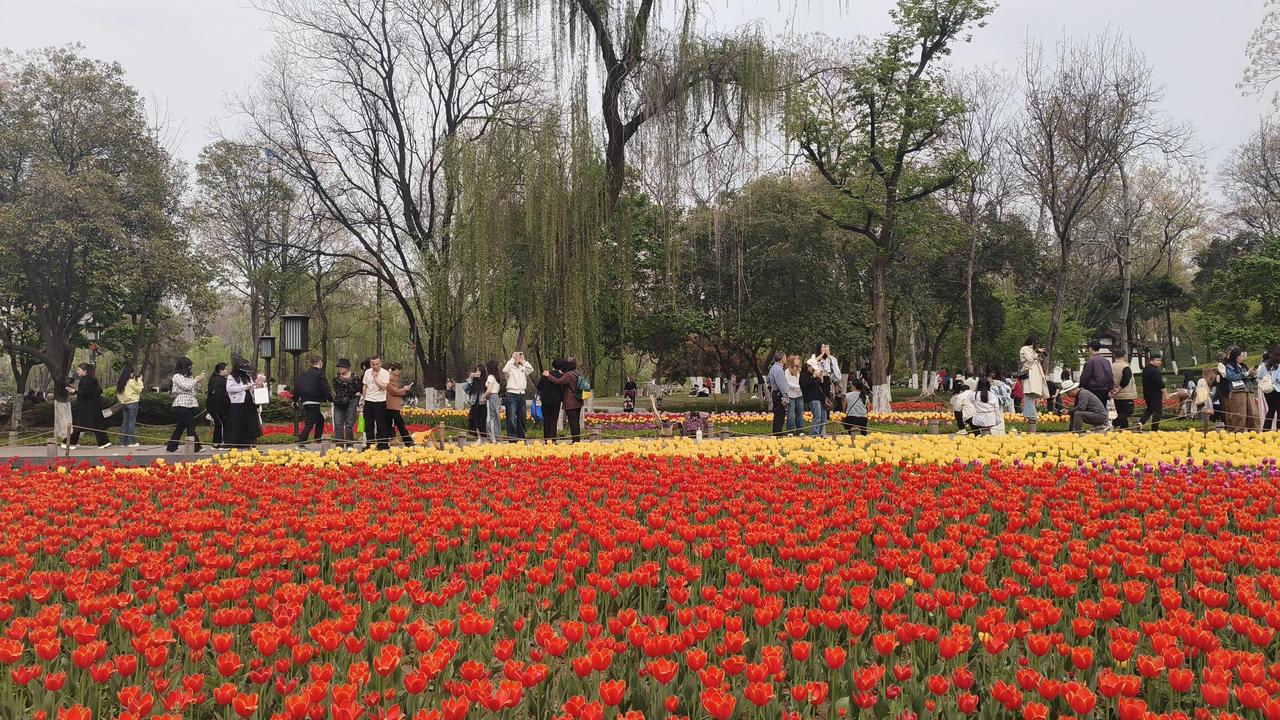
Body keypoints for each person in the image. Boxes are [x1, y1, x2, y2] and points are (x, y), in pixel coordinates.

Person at [165, 357, 204, 453]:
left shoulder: (189, 377)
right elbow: (186, 387)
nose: (190, 368)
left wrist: (198, 381)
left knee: (181, 426)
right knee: (191, 424)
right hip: (181, 403)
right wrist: (196, 380)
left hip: (190, 402)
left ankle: (172, 446)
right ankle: (196, 447)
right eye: (189, 366)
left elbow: (193, 390)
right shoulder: (177, 376)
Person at [67, 363, 110, 449]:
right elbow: (96, 391)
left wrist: (74, 391)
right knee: (96, 425)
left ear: (85, 371)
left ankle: (70, 443)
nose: (77, 371)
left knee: (79, 425)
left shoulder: (85, 380)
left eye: (79, 370)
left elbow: (85, 393)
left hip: (85, 407)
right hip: (93, 406)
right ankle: (104, 442)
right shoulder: (93, 379)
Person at [543, 358, 583, 443]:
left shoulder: (568, 375)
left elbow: (558, 381)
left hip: (571, 402)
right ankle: (577, 439)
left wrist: (548, 375)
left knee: (573, 422)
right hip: (578, 401)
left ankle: (575, 441)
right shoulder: (576, 373)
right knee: (576, 421)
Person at [294, 356, 332, 445]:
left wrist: (295, 399)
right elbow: (325, 387)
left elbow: (297, 387)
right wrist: (331, 399)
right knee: (310, 423)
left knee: (320, 419)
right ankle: (301, 442)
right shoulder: (320, 374)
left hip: (305, 401)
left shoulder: (304, 374)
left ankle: (317, 438)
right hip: (314, 401)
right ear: (320, 363)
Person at [226, 359, 263, 449]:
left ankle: (250, 442)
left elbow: (252, 387)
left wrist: (257, 385)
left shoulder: (247, 377)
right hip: (238, 404)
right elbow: (230, 389)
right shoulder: (231, 377)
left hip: (249, 403)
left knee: (250, 422)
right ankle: (236, 443)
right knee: (237, 423)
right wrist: (245, 387)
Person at [1222, 346, 1259, 432]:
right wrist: (1246, 373)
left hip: (1248, 390)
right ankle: (1238, 433)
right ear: (1235, 356)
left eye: (1243, 356)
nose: (1242, 358)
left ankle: (1254, 433)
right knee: (1240, 414)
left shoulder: (1244, 366)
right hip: (1238, 392)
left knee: (1253, 413)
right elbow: (1231, 377)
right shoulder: (1230, 366)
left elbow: (1248, 378)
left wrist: (1253, 375)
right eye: (1241, 356)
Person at [502, 352, 535, 439]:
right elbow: (504, 370)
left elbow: (531, 369)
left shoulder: (523, 368)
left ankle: (521, 437)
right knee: (511, 417)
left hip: (522, 394)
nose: (518, 358)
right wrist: (512, 359)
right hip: (511, 394)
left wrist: (523, 360)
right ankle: (512, 438)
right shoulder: (510, 369)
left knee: (522, 416)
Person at [362, 355, 391, 450]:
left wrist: (375, 378)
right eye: (373, 364)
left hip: (380, 401)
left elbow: (383, 387)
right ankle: (370, 445)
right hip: (368, 401)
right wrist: (364, 399)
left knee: (381, 424)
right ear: (370, 364)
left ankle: (382, 444)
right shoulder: (367, 372)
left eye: (377, 364)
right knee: (368, 424)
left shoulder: (385, 373)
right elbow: (365, 386)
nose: (375, 366)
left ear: (380, 363)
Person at [1018, 336, 1049, 421]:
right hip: (1029, 376)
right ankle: (1031, 415)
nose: (1035, 345)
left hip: (1034, 377)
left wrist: (1039, 356)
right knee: (1029, 394)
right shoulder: (1024, 349)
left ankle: (1030, 414)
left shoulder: (1031, 351)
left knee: (1031, 395)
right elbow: (1029, 359)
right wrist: (1037, 352)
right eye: (1035, 343)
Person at [384, 363, 415, 446]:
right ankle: (408, 441)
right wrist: (404, 389)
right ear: (396, 370)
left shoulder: (392, 376)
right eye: (399, 371)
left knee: (388, 423)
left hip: (389, 404)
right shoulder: (389, 377)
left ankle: (388, 440)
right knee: (400, 423)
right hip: (391, 404)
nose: (400, 373)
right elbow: (393, 391)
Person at [331, 359, 361, 447]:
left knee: (349, 423)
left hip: (351, 401)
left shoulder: (354, 376)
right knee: (338, 423)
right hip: (339, 401)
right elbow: (336, 389)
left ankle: (349, 444)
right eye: (339, 367)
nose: (340, 368)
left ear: (347, 367)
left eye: (342, 367)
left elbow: (358, 388)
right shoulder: (336, 377)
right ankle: (339, 445)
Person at [115, 365, 144, 448]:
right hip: (132, 403)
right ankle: (131, 442)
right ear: (130, 373)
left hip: (123, 403)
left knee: (125, 422)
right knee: (131, 422)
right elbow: (139, 389)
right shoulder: (131, 381)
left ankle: (123, 442)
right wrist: (140, 380)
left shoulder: (120, 381)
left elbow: (119, 393)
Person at [1077, 341, 1114, 406]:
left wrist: (1081, 385)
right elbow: (1110, 375)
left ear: (1090, 349)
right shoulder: (1106, 361)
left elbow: (1085, 376)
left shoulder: (1090, 361)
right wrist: (1111, 387)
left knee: (1093, 408)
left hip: (1093, 389)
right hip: (1104, 389)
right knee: (1102, 408)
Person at [538, 360, 566, 442]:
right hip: (556, 401)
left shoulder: (545, 375)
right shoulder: (561, 376)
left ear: (552, 365)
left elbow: (539, 386)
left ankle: (546, 439)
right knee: (554, 420)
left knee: (546, 419)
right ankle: (553, 440)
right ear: (560, 367)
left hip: (545, 401)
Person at [1139, 352, 1168, 431]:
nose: (1159, 362)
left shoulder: (1146, 369)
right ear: (1152, 360)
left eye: (1160, 360)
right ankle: (1154, 429)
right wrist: (1166, 394)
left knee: (1150, 409)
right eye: (1157, 360)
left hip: (1147, 394)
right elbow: (1160, 383)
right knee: (1158, 411)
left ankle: (1141, 423)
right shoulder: (1155, 371)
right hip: (1155, 394)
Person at [1110, 349, 1136, 431]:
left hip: (1115, 394)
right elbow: (1126, 379)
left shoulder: (1112, 366)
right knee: (1128, 411)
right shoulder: (1125, 367)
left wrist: (1112, 389)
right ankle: (1114, 423)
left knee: (1121, 413)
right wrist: (1119, 388)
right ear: (1124, 356)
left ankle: (1125, 429)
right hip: (1126, 394)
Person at [206, 362, 230, 448]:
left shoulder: (222, 379)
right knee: (220, 423)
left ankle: (219, 442)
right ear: (220, 370)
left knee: (221, 423)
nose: (228, 370)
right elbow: (218, 395)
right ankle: (218, 444)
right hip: (215, 406)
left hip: (220, 406)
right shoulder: (216, 380)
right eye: (226, 369)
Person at [800, 362, 826, 437]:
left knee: (823, 418)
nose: (814, 369)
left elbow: (821, 387)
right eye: (813, 367)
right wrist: (813, 377)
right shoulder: (804, 374)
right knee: (817, 417)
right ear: (808, 366)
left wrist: (821, 380)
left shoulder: (815, 373)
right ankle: (814, 435)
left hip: (820, 398)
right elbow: (805, 386)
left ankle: (820, 434)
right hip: (813, 398)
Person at [766, 352, 788, 435]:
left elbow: (768, 380)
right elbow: (782, 385)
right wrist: (785, 397)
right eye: (785, 357)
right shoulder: (779, 370)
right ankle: (777, 434)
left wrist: (771, 387)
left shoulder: (773, 368)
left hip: (775, 393)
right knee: (780, 416)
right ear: (782, 358)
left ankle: (776, 433)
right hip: (779, 394)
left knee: (777, 415)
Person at [464, 366, 488, 439]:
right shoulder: (472, 381)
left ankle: (483, 435)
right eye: (477, 371)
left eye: (480, 371)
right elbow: (465, 389)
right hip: (474, 403)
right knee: (472, 419)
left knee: (482, 420)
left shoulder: (485, 380)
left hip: (483, 403)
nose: (478, 373)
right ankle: (473, 435)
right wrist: (470, 379)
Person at [481, 359, 502, 441]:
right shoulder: (497, 378)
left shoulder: (490, 377)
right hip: (496, 397)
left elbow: (489, 390)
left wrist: (483, 396)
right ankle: (497, 436)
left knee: (490, 418)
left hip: (492, 398)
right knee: (496, 418)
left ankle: (492, 437)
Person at [1260, 348, 1280, 431]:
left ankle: (1265, 430)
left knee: (1271, 410)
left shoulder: (1263, 366)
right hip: (1277, 390)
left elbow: (1260, 377)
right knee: (1279, 412)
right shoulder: (1278, 366)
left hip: (1267, 391)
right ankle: (1278, 431)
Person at [786, 356, 805, 435]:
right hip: (790, 396)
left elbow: (802, 381)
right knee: (790, 414)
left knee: (800, 413)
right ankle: (790, 431)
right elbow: (788, 383)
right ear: (792, 361)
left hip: (799, 395)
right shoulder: (787, 371)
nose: (798, 360)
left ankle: (800, 431)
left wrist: (802, 387)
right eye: (796, 359)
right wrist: (799, 386)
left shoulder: (799, 371)